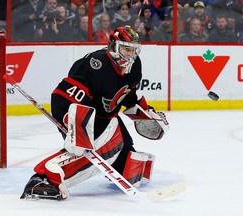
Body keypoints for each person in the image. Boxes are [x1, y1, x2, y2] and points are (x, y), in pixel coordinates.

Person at [20, 25, 169, 200]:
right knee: (99, 147)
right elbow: (63, 96)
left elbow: (127, 95)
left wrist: (143, 112)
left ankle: (110, 159)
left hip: (105, 117)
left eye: (133, 50)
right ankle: (42, 179)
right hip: (78, 112)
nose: (130, 55)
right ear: (113, 45)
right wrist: (74, 124)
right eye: (126, 49)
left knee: (128, 162)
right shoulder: (95, 64)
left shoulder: (135, 66)